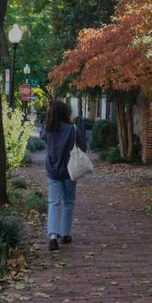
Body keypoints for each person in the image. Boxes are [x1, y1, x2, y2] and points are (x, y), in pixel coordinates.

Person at [40, 101, 87, 251]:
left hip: (53, 170)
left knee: (54, 203)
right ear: (66, 113)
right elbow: (83, 147)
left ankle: (53, 236)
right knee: (68, 202)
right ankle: (65, 234)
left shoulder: (47, 129)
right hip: (70, 170)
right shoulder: (73, 129)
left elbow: (43, 137)